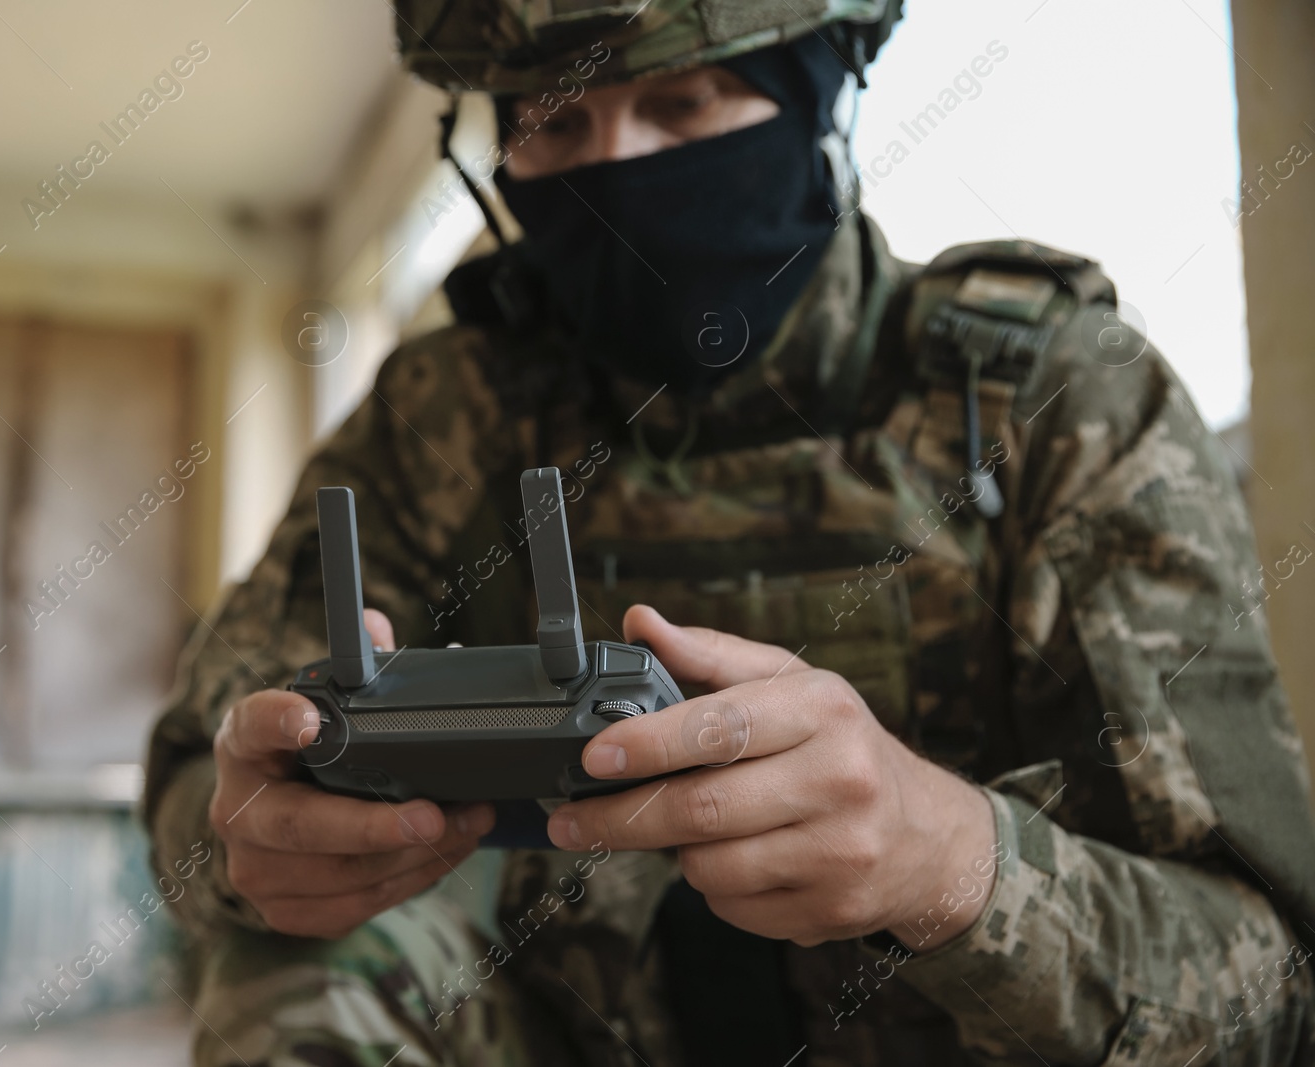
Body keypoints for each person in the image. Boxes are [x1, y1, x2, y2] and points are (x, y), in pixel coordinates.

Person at [143, 1, 1315, 1063]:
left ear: (813, 93)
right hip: (560, 1026)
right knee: (290, 965)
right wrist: (253, 840)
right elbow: (204, 782)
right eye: (553, 126)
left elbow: (1273, 988)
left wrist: (951, 861)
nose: (621, 169)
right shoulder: (446, 414)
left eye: (684, 102)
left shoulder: (1049, 398)